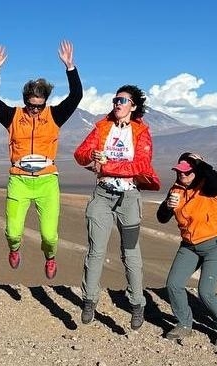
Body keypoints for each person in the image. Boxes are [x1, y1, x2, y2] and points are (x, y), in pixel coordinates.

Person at [0, 40, 83, 279]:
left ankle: (50, 257)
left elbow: (76, 95)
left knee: (49, 235)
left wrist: (70, 67)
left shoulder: (54, 115)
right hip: (19, 180)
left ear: (45, 102)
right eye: (31, 105)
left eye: (39, 105)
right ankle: (14, 249)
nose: (35, 109)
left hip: (47, 182)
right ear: (25, 100)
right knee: (13, 232)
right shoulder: (13, 116)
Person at [72, 86, 160, 330]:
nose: (117, 103)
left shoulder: (141, 132)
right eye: (115, 100)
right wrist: (92, 154)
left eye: (122, 100)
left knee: (130, 252)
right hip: (102, 196)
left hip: (129, 198)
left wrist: (107, 166)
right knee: (95, 251)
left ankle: (137, 303)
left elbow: (141, 165)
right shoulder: (102, 127)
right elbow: (79, 154)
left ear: (133, 106)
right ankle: (89, 300)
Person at [156, 152, 217, 346]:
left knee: (206, 292)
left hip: (215, 245)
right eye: (179, 172)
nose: (182, 175)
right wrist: (167, 206)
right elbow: (162, 218)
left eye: (187, 172)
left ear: (196, 171)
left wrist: (200, 163)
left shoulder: (207, 186)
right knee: (173, 284)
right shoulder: (175, 190)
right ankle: (184, 324)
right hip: (189, 246)